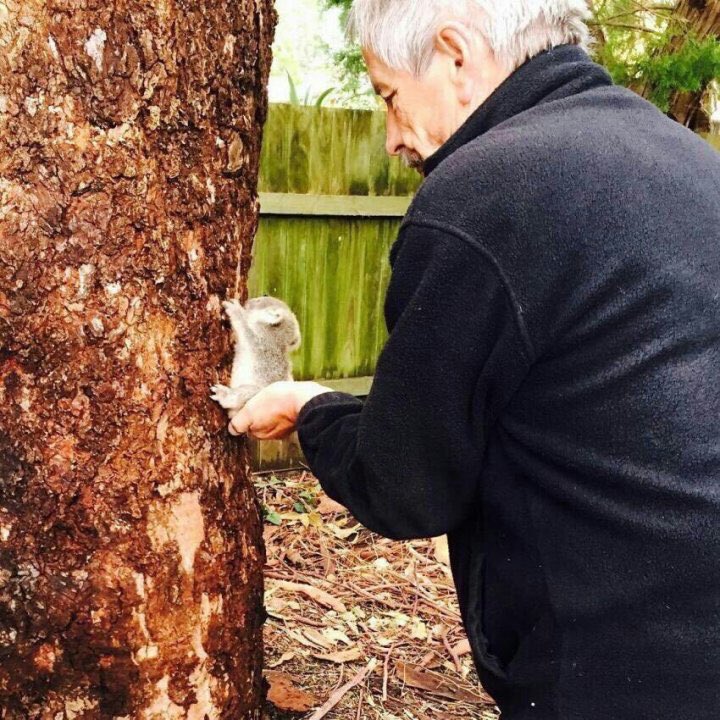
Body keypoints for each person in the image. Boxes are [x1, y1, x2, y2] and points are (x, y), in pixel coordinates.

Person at [229, 1, 720, 717]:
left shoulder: (482, 199)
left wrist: (310, 410)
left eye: (390, 96)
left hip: (621, 669)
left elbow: (406, 485)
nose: (394, 138)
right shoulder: (689, 164)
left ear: (456, 55)